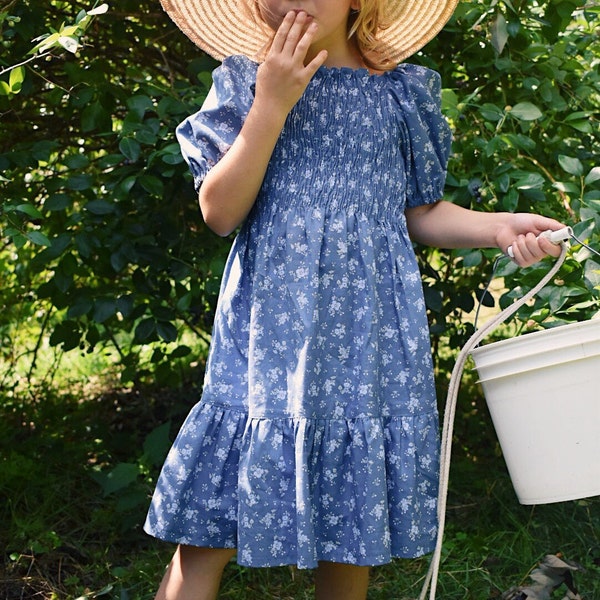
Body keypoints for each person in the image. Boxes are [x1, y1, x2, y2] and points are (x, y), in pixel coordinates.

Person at [145, 0, 565, 598]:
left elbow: (420, 210)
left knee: (351, 528)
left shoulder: (397, 91)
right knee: (209, 526)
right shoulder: (246, 82)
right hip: (272, 342)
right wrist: (272, 103)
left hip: (366, 339)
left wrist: (498, 228)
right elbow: (219, 212)